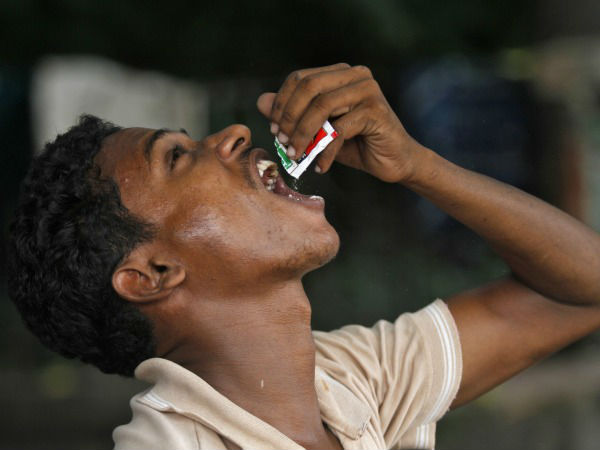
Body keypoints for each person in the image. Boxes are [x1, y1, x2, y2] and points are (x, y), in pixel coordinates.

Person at [7, 63, 600, 450]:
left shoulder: (349, 381)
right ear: (153, 274)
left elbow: (581, 290)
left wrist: (416, 166)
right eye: (178, 158)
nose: (234, 134)